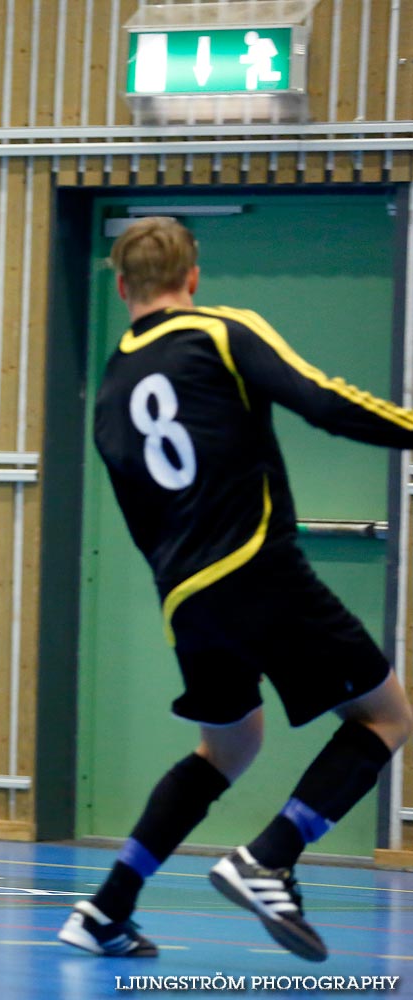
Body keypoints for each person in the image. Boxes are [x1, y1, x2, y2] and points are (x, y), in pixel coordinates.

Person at [58, 215, 413, 962]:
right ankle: (271, 855)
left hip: (185, 596)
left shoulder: (112, 384)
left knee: (228, 747)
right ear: (193, 278)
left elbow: (137, 509)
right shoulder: (219, 331)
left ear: (122, 288)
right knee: (386, 714)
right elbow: (323, 400)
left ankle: (105, 908)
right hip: (257, 567)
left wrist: (180, 588)